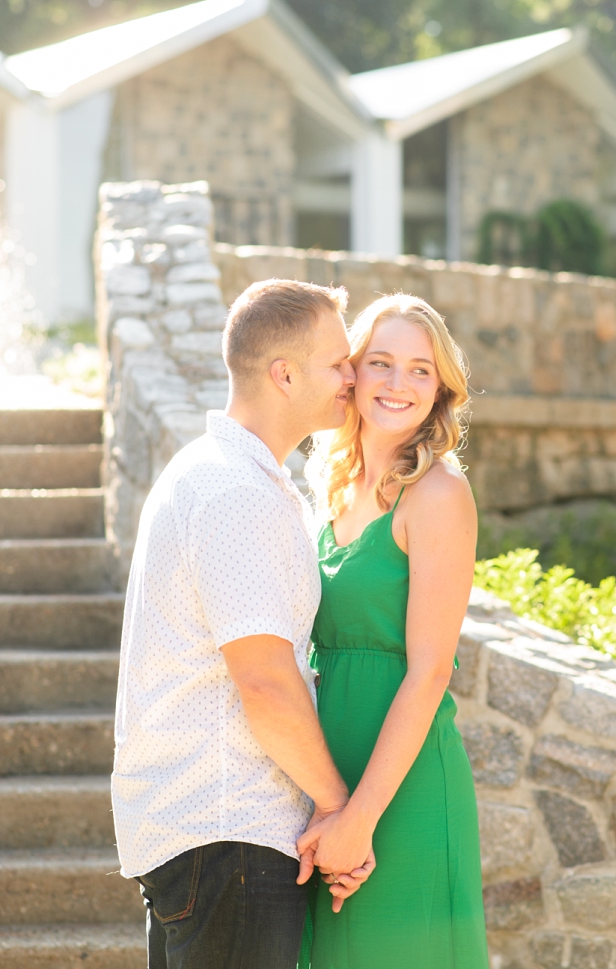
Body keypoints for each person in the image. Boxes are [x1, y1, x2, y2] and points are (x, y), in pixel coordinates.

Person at [112, 279, 374, 968]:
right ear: (284, 373)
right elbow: (264, 680)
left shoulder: (219, 476)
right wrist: (338, 808)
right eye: (338, 361)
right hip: (230, 836)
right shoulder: (236, 492)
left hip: (201, 838)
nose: (353, 375)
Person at [295, 293, 487, 968]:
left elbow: (430, 669)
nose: (399, 383)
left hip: (399, 793)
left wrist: (360, 818)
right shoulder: (332, 485)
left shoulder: (438, 494)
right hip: (329, 781)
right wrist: (329, 806)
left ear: (440, 389)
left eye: (420, 369)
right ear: (352, 371)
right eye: (381, 362)